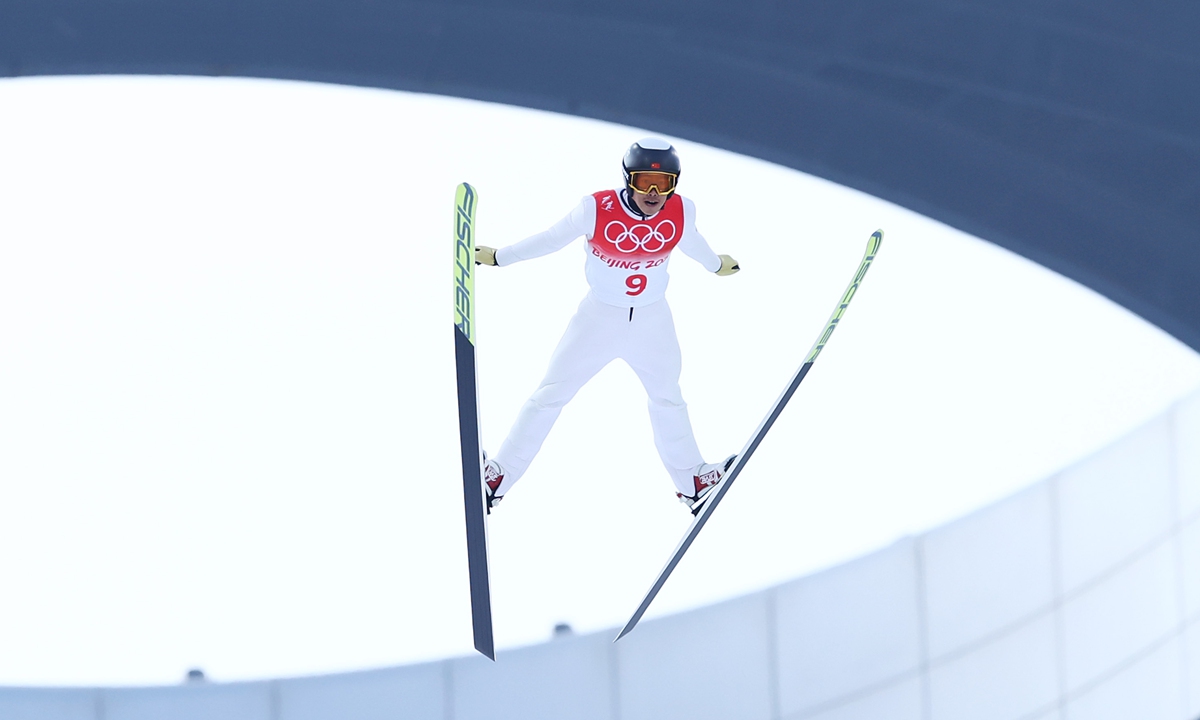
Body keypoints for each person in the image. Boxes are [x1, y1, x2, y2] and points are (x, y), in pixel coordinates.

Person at [476, 137, 740, 512]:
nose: (652, 192)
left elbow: (692, 242)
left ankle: (693, 482)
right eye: (643, 182)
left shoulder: (682, 210)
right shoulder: (595, 209)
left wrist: (715, 264)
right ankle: (498, 478)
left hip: (652, 320)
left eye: (663, 183)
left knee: (668, 399)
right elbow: (551, 240)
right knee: (550, 395)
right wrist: (501, 257)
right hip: (599, 318)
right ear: (627, 180)